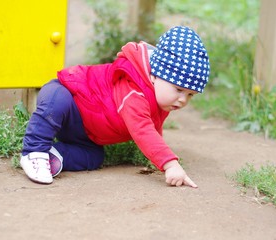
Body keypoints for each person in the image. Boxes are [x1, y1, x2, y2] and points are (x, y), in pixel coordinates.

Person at [20, 26, 210, 188]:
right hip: (71, 102)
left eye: (190, 95)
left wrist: (157, 154)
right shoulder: (134, 91)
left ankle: (54, 155)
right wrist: (169, 163)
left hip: (87, 135)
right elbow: (142, 129)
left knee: (93, 157)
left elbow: (153, 127)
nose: (183, 100)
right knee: (57, 101)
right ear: (155, 76)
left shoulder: (163, 100)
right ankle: (34, 151)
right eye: (178, 89)